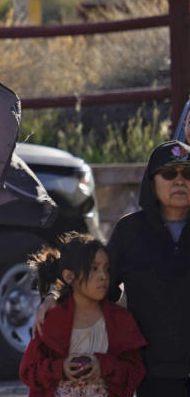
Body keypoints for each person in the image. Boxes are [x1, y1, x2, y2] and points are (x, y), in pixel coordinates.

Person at [35, 140, 190, 397]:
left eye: (188, 173)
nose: (179, 181)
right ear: (152, 182)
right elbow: (93, 278)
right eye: (169, 173)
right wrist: (53, 295)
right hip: (152, 369)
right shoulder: (131, 231)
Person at [20, 232, 146, 397]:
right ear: (68, 276)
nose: (103, 276)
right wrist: (60, 368)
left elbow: (135, 373)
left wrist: (104, 366)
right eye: (94, 268)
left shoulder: (121, 320)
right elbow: (29, 372)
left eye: (106, 269)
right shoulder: (51, 319)